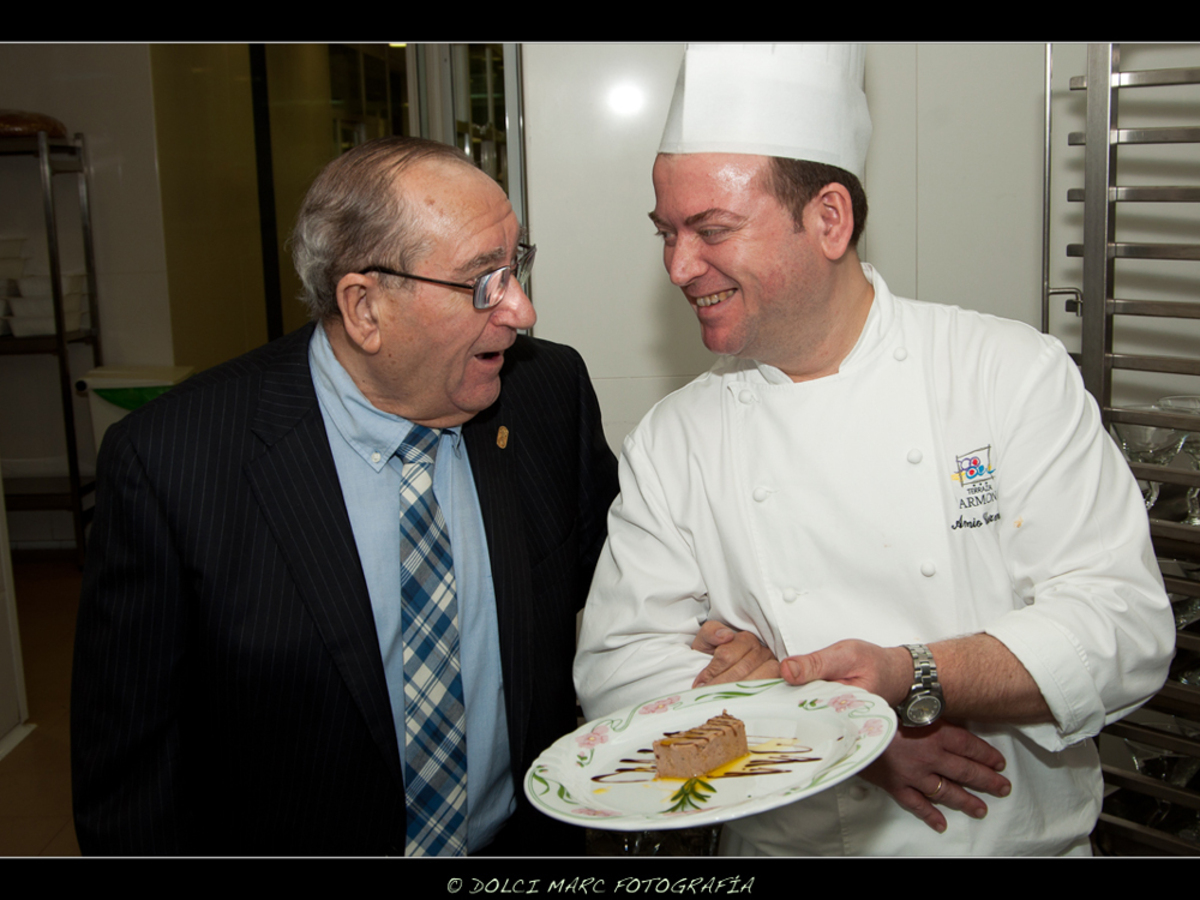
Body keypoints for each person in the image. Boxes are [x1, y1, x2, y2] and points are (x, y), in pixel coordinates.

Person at [573, 44, 1175, 856]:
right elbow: (618, 671)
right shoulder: (674, 440)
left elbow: (1124, 627)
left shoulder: (1005, 375)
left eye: (710, 229)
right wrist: (831, 729)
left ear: (829, 218)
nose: (680, 266)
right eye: (666, 233)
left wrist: (912, 678)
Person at [71, 136, 618, 856]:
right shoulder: (173, 463)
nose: (521, 310)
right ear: (364, 309)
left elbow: (622, 592)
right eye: (483, 280)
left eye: (514, 267)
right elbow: (131, 782)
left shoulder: (548, 396)